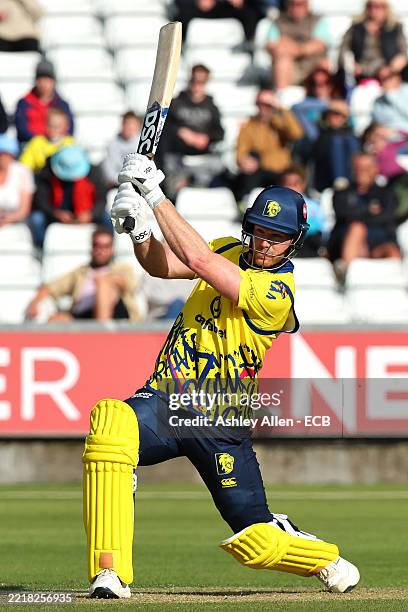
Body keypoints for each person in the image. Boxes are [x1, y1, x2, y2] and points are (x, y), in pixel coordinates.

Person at [81, 152, 360, 598]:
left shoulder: (276, 294)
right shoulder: (231, 247)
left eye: (278, 237)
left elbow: (201, 261)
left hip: (220, 417)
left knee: (256, 542)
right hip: (165, 399)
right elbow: (163, 265)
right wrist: (137, 231)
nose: (265, 243)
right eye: (261, 232)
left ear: (295, 242)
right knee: (111, 426)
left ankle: (319, 554)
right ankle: (109, 572)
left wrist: (153, 194)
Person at [26, 227, 141, 322]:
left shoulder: (122, 268)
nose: (101, 250)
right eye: (97, 245)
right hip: (81, 316)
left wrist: (103, 280)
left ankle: (102, 337)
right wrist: (35, 303)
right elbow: (51, 287)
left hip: (115, 313)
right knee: (57, 319)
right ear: (92, 247)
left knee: (103, 285)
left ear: (112, 249)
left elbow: (128, 285)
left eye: (106, 246)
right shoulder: (81, 272)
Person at [157, 64, 224, 199]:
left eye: (201, 81)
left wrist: (206, 138)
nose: (197, 84)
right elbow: (163, 126)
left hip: (202, 160)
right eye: (194, 80)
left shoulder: (212, 107)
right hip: (177, 159)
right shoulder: (176, 103)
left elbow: (219, 133)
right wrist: (182, 132)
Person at [327, 151, 400, 266]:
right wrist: (369, 211)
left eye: (366, 168)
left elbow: (387, 217)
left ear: (375, 170)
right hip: (345, 240)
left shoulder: (387, 194)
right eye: (358, 168)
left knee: (391, 251)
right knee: (357, 228)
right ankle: (349, 274)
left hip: (379, 242)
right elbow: (342, 214)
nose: (361, 172)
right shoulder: (342, 193)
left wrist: (359, 213)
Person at [28, 145, 110, 247]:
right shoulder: (46, 173)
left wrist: (91, 214)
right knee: (36, 219)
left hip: (86, 212)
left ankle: (109, 250)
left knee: (107, 218)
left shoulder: (94, 172)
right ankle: (41, 249)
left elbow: (101, 199)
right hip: (55, 213)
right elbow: (41, 201)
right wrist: (55, 213)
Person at [231, 88, 303, 202]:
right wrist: (244, 160)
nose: (264, 107)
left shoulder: (279, 124)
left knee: (292, 178)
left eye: (268, 104)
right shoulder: (249, 125)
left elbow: (297, 134)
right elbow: (240, 151)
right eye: (261, 104)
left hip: (281, 171)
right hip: (259, 171)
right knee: (247, 177)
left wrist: (281, 108)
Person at [265, 0, 330, 90]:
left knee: (324, 66)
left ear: (307, 4)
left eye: (300, 4)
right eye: (292, 4)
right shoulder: (278, 22)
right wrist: (291, 49)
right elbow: (272, 46)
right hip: (289, 67)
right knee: (283, 61)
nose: (296, 8)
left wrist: (297, 48)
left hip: (312, 65)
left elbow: (319, 45)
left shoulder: (317, 20)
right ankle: (282, 96)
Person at [338, 0, 407, 85]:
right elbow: (343, 50)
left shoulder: (395, 28)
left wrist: (391, 68)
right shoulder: (356, 28)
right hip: (362, 76)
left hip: (388, 77)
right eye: (371, 6)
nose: (375, 10)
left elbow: (404, 54)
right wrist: (351, 66)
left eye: (379, 6)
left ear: (386, 8)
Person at [15, 59, 74, 146]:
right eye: (40, 80)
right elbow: (22, 131)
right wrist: (41, 141)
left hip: (57, 144)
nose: (43, 84)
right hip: (31, 145)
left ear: (53, 82)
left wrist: (54, 140)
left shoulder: (62, 105)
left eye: (47, 80)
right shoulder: (24, 103)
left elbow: (69, 129)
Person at [291, 67, 343, 164]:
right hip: (312, 144)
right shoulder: (307, 104)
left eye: (324, 83)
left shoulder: (339, 101)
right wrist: (327, 104)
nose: (319, 88)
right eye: (314, 84)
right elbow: (295, 108)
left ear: (331, 85)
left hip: (332, 144)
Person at [312, 99, 359, 193]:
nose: (334, 118)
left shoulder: (351, 137)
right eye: (331, 114)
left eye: (338, 115)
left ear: (345, 118)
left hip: (349, 179)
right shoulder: (320, 134)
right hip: (325, 181)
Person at [173, 0, 265, 47]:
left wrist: (241, 2)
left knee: (249, 14)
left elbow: (258, 7)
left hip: (227, 9)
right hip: (197, 11)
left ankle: (248, 44)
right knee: (182, 17)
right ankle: (179, 47)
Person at [280, 164, 325, 256]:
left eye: (295, 184)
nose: (291, 188)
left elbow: (321, 227)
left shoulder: (313, 206)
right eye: (288, 184)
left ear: (303, 185)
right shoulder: (277, 205)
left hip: (307, 247)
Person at [19, 107, 75, 175]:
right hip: (41, 179)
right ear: (45, 125)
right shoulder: (37, 142)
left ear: (66, 127)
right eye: (50, 125)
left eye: (58, 126)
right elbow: (24, 165)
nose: (54, 129)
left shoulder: (70, 144)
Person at [0, 132, 34, 228]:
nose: (4, 158)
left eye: (8, 154)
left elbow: (24, 210)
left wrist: (7, 219)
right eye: (2, 154)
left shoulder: (23, 172)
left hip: (17, 223)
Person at [102, 111, 141, 189]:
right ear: (122, 125)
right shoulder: (113, 144)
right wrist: (125, 180)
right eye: (127, 124)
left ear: (138, 126)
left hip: (140, 186)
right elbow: (109, 172)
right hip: (119, 186)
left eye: (132, 125)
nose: (129, 128)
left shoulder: (143, 143)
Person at [371, 68, 408, 132]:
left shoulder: (406, 89)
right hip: (388, 136)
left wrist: (392, 95)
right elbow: (378, 123)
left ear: (398, 77)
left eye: (389, 77)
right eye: (382, 79)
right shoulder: (378, 101)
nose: (387, 81)